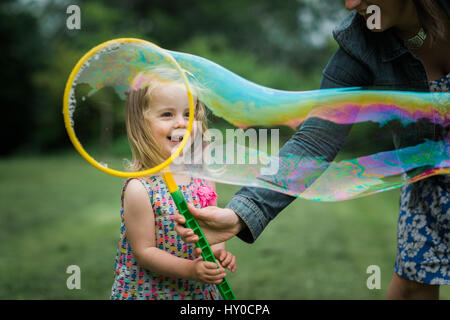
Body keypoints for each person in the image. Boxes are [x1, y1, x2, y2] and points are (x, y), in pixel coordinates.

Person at [175, 0, 450, 299]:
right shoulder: (360, 44)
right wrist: (239, 215)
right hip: (429, 189)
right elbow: (315, 141)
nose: (351, 3)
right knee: (412, 287)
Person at [111, 69, 236, 300]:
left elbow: (213, 225)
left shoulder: (203, 177)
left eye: (188, 114)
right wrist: (191, 270)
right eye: (167, 114)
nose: (181, 123)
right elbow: (144, 252)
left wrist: (219, 252)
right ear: (142, 124)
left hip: (198, 293)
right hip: (152, 292)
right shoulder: (140, 188)